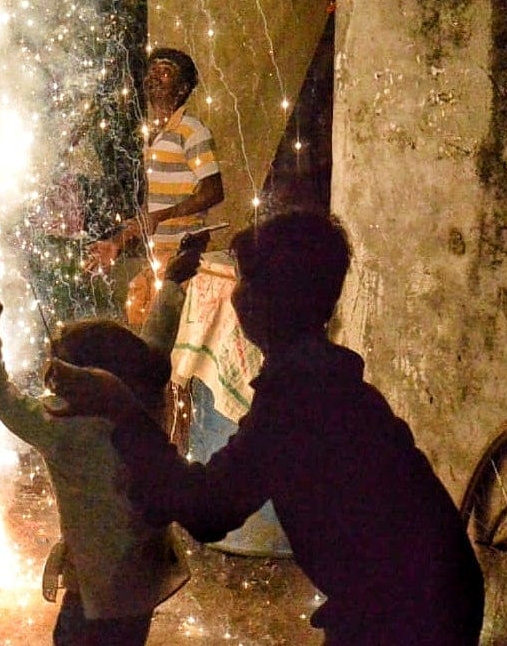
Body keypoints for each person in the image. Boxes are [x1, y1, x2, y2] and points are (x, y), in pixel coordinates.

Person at [57, 210, 484, 644]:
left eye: (244, 281)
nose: (236, 295)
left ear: (267, 301)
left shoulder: (300, 401)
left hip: (410, 611)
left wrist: (125, 414)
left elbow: (209, 509)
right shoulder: (324, 379)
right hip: (426, 591)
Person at [0, 289, 190, 645]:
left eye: (62, 362)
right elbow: (156, 343)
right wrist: (175, 284)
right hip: (145, 572)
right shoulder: (145, 400)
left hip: (95, 589)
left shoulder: (59, 423)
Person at [86, 47, 223, 328]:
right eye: (151, 72)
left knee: (163, 331)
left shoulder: (191, 131)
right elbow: (153, 208)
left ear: (182, 88)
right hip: (160, 255)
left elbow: (212, 192)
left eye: (164, 72)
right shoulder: (154, 137)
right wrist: (117, 242)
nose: (153, 79)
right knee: (140, 315)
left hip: (183, 257)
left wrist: (160, 217)